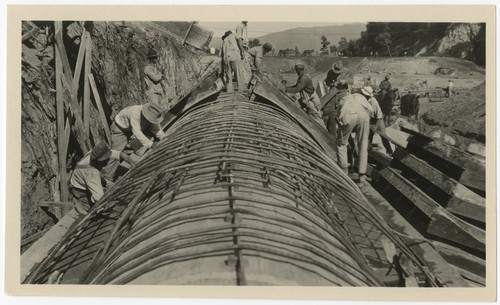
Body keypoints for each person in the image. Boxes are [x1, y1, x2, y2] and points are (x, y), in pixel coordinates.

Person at [70, 142, 136, 210]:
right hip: (81, 190)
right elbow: (99, 197)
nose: (108, 161)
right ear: (99, 161)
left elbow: (120, 154)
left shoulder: (96, 154)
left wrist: (133, 163)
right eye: (106, 160)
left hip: (86, 179)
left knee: (113, 186)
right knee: (98, 210)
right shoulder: (92, 173)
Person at [334, 93, 374, 184]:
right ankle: (362, 174)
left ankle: (344, 172)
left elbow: (339, 120)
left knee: (341, 144)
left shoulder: (342, 101)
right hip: (364, 116)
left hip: (349, 116)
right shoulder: (361, 97)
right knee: (363, 144)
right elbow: (371, 110)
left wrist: (345, 131)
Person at [360, 86, 394, 156]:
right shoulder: (364, 100)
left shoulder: (373, 101)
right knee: (369, 136)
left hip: (377, 120)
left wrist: (375, 127)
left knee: (384, 136)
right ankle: (368, 151)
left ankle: (390, 151)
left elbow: (379, 116)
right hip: (370, 120)